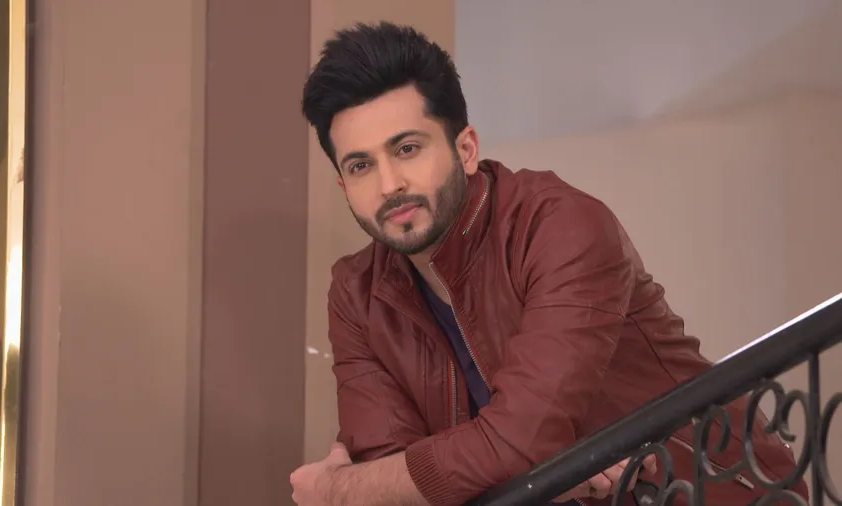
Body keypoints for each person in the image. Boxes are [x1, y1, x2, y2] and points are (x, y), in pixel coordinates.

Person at [290, 21, 805, 506]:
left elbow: (517, 441)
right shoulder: (356, 292)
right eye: (361, 165)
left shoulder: (560, 226)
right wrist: (535, 472)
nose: (388, 184)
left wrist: (334, 490)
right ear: (343, 185)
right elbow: (393, 480)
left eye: (407, 148)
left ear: (465, 149)